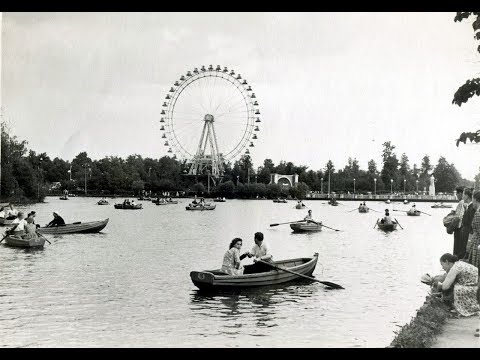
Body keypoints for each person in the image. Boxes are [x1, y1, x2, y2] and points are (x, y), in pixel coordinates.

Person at [458, 188, 474, 259]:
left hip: (467, 234)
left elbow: (471, 223)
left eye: (464, 194)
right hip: (466, 233)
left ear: (467, 195)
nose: (462, 196)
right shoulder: (469, 207)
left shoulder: (471, 208)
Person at [466, 190, 480, 268]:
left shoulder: (478, 213)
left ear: (475, 200)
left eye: (473, 199)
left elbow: (478, 231)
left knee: (475, 268)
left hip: (477, 244)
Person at [453, 186, 467, 258]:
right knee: (461, 248)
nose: (456, 196)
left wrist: (451, 227)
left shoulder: (461, 203)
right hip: (463, 229)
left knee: (457, 249)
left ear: (460, 193)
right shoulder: (466, 203)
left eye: (457, 194)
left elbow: (458, 217)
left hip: (459, 229)